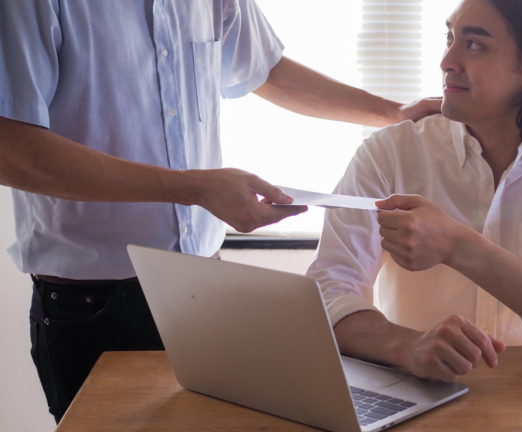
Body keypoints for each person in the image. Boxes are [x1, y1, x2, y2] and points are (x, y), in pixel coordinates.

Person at [0, 0, 440, 422]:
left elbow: (266, 71)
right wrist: (195, 189)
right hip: (93, 307)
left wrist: (393, 113)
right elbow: (12, 151)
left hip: (201, 291)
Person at [306, 0, 522, 384]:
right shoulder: (390, 155)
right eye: (450, 37)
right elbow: (327, 292)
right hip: (414, 396)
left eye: (475, 44)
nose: (447, 60)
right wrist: (408, 346)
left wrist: (458, 246)